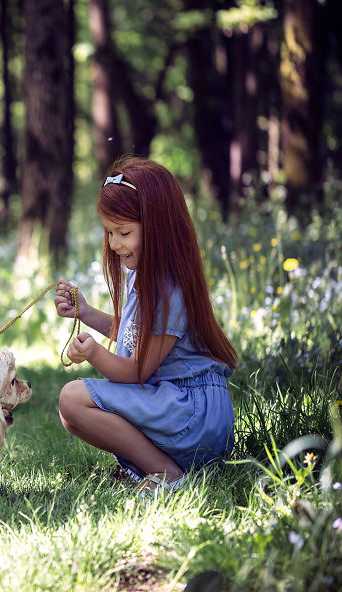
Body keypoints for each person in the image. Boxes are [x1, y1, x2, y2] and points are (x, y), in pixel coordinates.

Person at [54, 156, 237, 491]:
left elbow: (136, 371)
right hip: (177, 404)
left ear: (158, 226)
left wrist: (93, 353)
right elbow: (134, 335)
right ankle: (159, 467)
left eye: (124, 232)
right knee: (71, 413)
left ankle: (168, 475)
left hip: (194, 415)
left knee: (73, 398)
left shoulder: (169, 288)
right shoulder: (145, 275)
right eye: (109, 232)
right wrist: (86, 312)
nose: (114, 244)